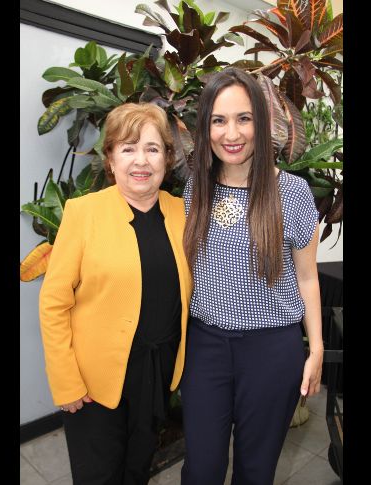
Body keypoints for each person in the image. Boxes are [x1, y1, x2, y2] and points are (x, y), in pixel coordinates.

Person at [180, 68, 325, 484]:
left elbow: (307, 278)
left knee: (256, 470)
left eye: (244, 118)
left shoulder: (292, 193)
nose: (232, 133)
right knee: (202, 468)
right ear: (206, 126)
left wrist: (315, 349)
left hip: (271, 351)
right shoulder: (196, 190)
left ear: (261, 124)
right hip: (204, 347)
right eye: (219, 120)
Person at [38, 102, 192, 485]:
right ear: (110, 158)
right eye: (128, 148)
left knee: (137, 470)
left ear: (167, 158)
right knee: (99, 476)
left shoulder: (182, 213)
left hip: (155, 374)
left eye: (153, 149)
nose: (141, 161)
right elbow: (54, 303)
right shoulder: (83, 213)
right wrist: (66, 381)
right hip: (93, 382)